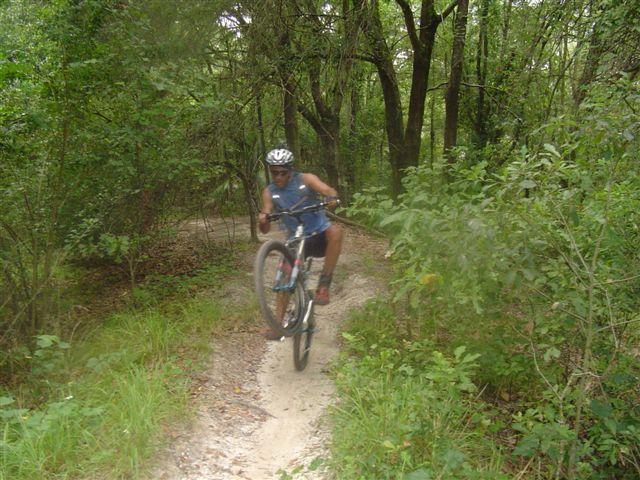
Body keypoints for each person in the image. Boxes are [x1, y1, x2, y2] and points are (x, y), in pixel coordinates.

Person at [258, 147, 343, 311]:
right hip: (296, 241)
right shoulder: (269, 191)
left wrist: (331, 197)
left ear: (291, 169)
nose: (278, 177)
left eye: (282, 172)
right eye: (274, 172)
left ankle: (324, 285)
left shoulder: (306, 179)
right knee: (285, 275)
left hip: (319, 235)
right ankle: (278, 324)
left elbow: (327, 190)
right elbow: (265, 225)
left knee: (336, 231)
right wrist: (263, 218)